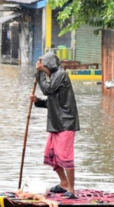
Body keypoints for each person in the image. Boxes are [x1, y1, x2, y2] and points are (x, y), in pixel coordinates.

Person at [29, 52, 80, 197]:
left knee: (65, 156)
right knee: (51, 155)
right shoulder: (54, 77)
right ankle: (63, 183)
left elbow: (47, 89)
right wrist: (38, 102)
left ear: (49, 66)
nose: (44, 70)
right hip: (56, 123)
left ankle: (71, 189)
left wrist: (38, 74)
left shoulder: (60, 74)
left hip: (66, 123)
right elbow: (52, 101)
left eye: (44, 68)